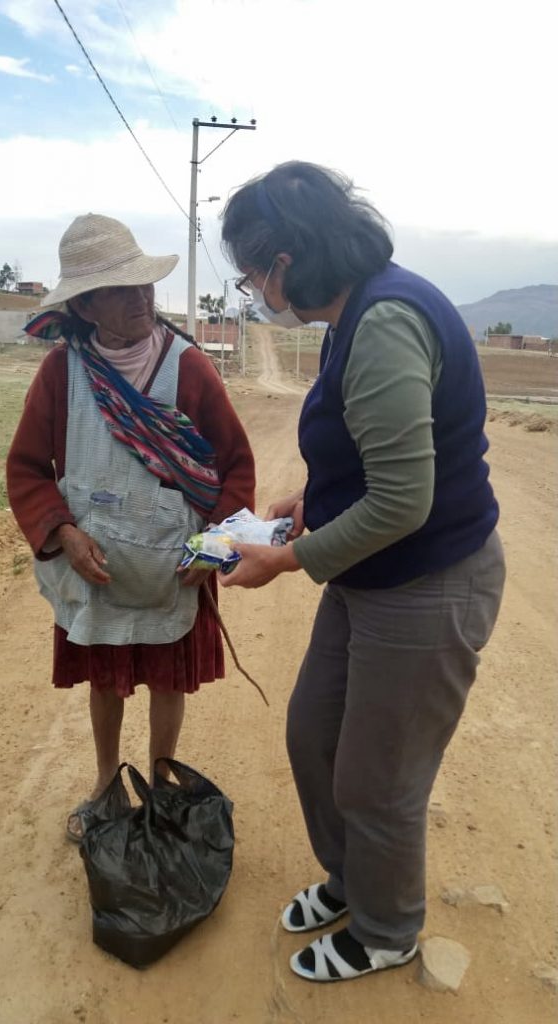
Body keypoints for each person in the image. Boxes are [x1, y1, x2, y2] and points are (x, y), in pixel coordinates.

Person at [220, 162, 505, 983]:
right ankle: (354, 880)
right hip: (372, 577)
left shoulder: (382, 320)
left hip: (428, 581)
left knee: (379, 777)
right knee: (315, 735)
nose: (250, 289)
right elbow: (373, 450)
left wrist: (287, 559)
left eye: (250, 271)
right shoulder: (351, 312)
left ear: (286, 261)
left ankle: (387, 928)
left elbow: (405, 501)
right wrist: (313, 498)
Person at [7, 213, 255, 842]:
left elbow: (235, 467)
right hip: (98, 568)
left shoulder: (189, 368)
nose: (143, 298)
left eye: (144, 285)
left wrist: (217, 545)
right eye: (122, 290)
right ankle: (105, 783)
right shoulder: (61, 374)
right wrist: (63, 532)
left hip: (176, 566)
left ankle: (161, 777)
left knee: (170, 678)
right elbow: (28, 469)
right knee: (106, 681)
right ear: (87, 306)